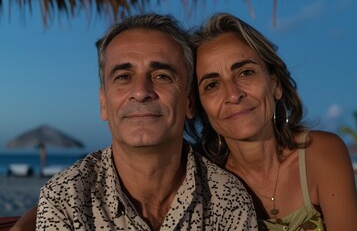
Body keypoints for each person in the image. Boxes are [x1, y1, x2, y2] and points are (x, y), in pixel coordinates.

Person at [31, 13, 258, 230]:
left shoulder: (227, 198)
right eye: (123, 77)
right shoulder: (65, 199)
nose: (140, 92)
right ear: (103, 103)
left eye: (161, 76)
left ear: (189, 101)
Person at [186, 12, 357, 231]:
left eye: (246, 73)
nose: (233, 95)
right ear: (199, 106)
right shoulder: (201, 183)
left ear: (275, 85)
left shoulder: (321, 154)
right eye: (212, 85)